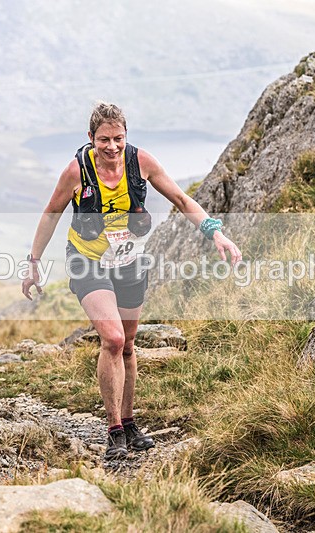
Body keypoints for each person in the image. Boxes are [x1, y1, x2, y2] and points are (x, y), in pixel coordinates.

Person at [22, 102, 241, 460]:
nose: (112, 147)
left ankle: (128, 421)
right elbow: (50, 214)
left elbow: (182, 199)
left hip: (129, 262)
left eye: (118, 138)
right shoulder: (76, 171)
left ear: (127, 136)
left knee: (128, 345)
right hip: (87, 261)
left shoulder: (141, 163)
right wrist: (33, 262)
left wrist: (215, 232)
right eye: (104, 139)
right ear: (90, 138)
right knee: (113, 338)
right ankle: (113, 430)